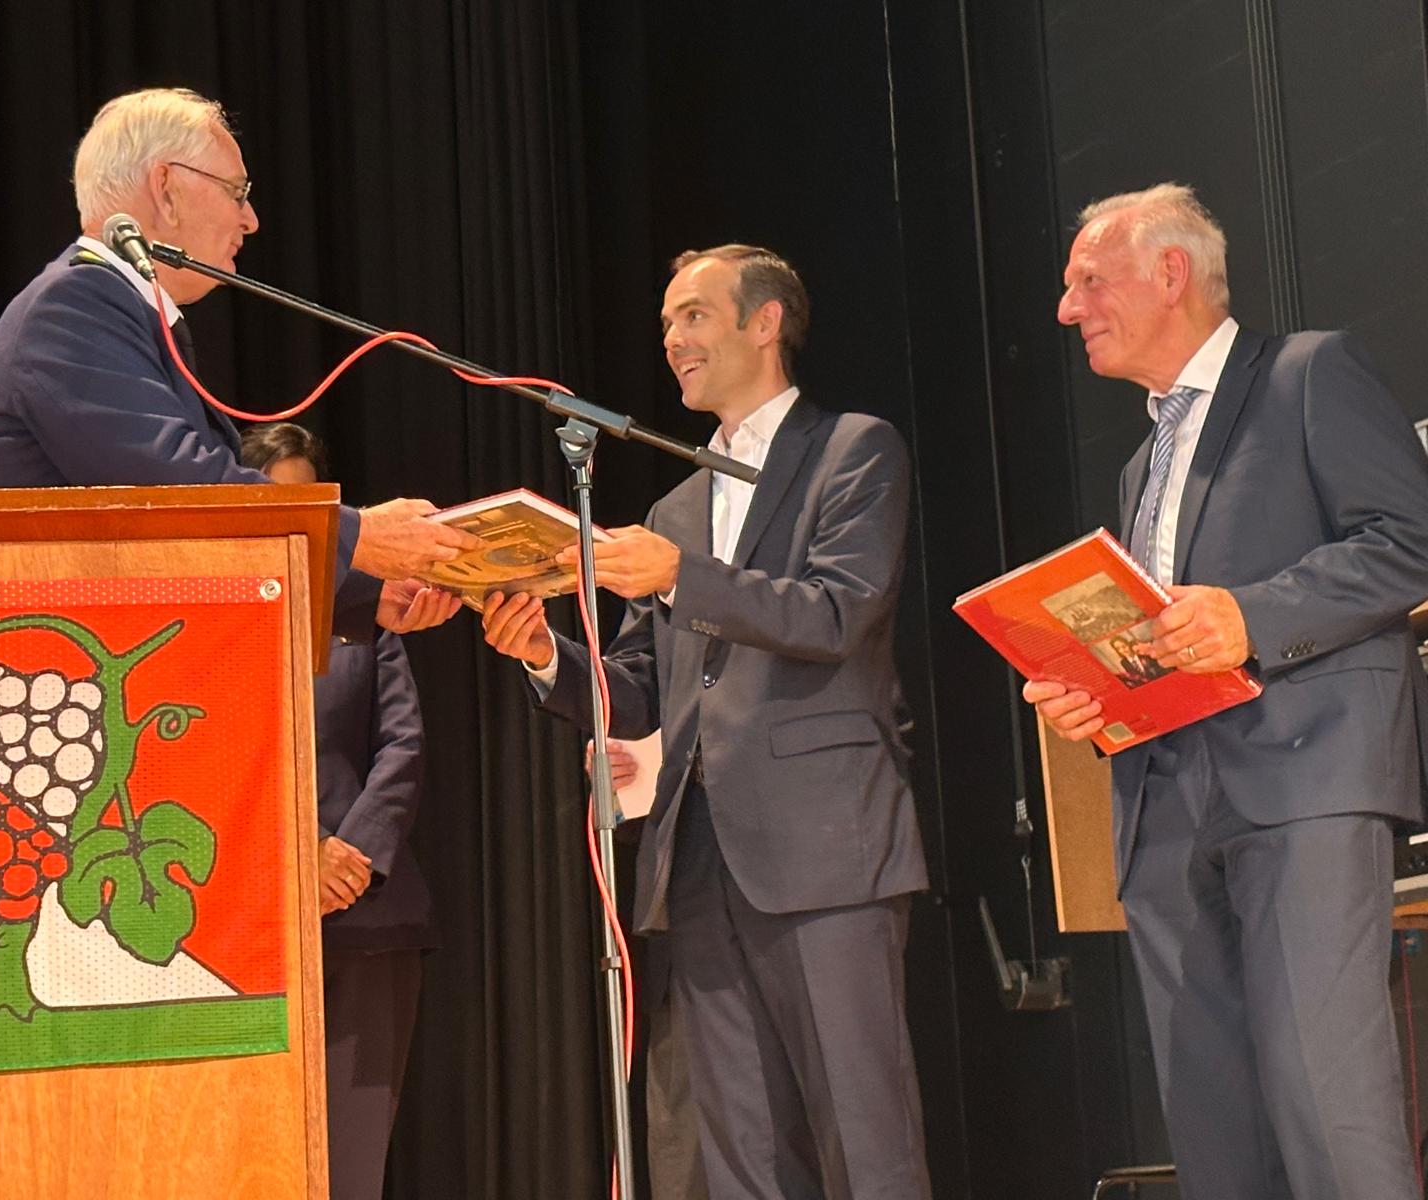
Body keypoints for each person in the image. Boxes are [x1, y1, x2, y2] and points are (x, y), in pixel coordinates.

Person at [483, 245, 930, 1199]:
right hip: (697, 861)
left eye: (693, 316)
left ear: (765, 323)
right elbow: (642, 688)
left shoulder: (853, 449)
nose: (673, 340)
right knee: (740, 1157)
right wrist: (544, 655)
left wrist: (682, 578)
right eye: (666, 325)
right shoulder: (676, 507)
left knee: (865, 1139)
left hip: (823, 846)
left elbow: (839, 612)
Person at [1026, 183, 1428, 1199]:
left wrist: (1252, 615)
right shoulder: (1140, 466)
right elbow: (1167, 637)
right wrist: (1095, 701)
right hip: (1164, 808)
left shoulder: (1307, 374)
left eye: (1089, 281)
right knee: (1218, 1133)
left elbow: (1410, 542)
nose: (1068, 309)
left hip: (1301, 785)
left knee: (1326, 1102)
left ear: (1171, 272)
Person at [0, 87, 475, 637]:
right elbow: (172, 488)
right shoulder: (72, 305)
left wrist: (366, 591)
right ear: (165, 188)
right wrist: (361, 537)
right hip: (47, 653)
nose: (250, 219)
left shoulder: (119, 306)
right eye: (236, 191)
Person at [242, 423, 436, 1200]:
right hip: (245, 930)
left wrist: (348, 861)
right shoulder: (203, 626)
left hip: (365, 920)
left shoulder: (361, 617)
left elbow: (403, 744)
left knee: (352, 1170)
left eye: (306, 507)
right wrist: (300, 854)